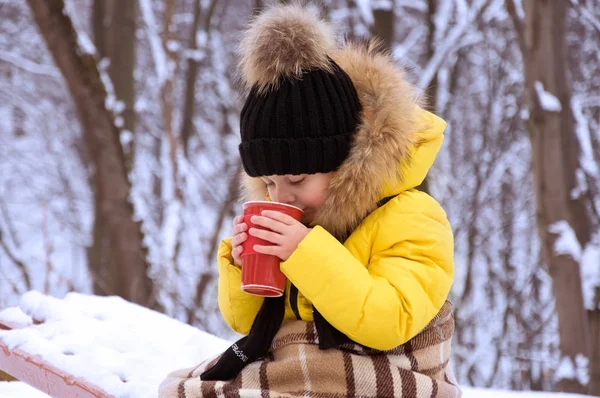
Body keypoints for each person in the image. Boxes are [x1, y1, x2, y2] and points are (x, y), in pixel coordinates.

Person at [160, 3, 461, 397]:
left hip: (394, 371)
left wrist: (305, 252)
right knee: (184, 386)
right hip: (312, 365)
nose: (281, 196)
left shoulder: (412, 218)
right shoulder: (304, 223)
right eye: (267, 183)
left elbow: (389, 321)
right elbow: (249, 325)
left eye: (296, 179)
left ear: (345, 161)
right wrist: (240, 266)